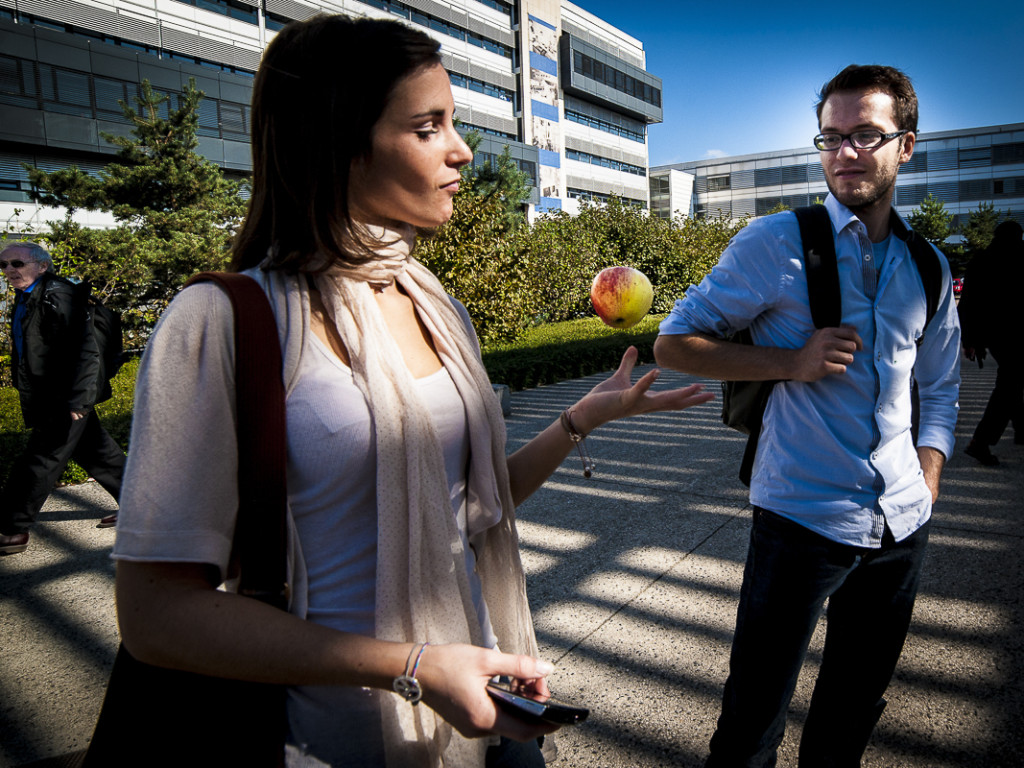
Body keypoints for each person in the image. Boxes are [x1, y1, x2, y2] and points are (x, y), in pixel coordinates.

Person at [109, 14, 713, 768]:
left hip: (480, 702)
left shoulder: (436, 305)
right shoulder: (224, 321)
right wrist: (412, 666)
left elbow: (464, 513)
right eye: (429, 127)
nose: (462, 150)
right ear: (338, 142)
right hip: (328, 738)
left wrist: (578, 421)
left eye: (453, 123)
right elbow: (156, 616)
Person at [654, 64, 960, 767]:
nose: (844, 153)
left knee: (854, 709)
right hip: (800, 520)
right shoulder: (775, 243)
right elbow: (675, 342)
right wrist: (788, 362)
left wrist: (930, 476)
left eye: (864, 135)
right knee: (754, 713)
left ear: (906, 146)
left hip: (901, 527)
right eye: (830, 138)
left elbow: (941, 387)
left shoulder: (930, 268)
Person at [0, 241, 124, 556]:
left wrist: (80, 400)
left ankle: (12, 528)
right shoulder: (28, 295)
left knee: (40, 461)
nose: (9, 271)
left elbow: (86, 352)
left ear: (42, 265)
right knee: (103, 458)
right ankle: (147, 511)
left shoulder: (58, 296)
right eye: (3, 266)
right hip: (51, 395)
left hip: (63, 398)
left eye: (17, 263)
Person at [959, 219, 1024, 465]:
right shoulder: (1019, 257)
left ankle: (1020, 428)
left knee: (1012, 381)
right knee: (1010, 385)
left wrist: (970, 340)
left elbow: (967, 305)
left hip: (994, 336)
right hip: (1017, 334)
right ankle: (981, 441)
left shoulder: (980, 261)